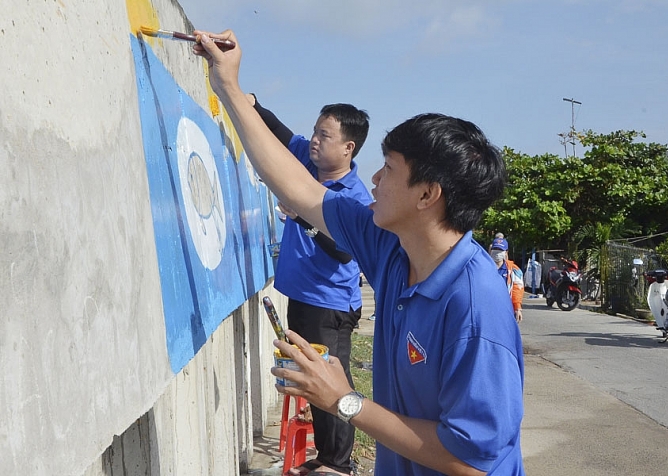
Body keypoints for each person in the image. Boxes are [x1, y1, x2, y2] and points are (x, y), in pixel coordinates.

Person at [193, 29, 525, 476]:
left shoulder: (475, 304)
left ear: (427, 194)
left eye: (388, 170)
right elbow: (298, 187)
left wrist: (344, 400)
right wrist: (229, 86)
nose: (374, 181)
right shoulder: (391, 247)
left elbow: (471, 461)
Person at [247, 94, 372, 476]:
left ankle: (338, 463)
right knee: (312, 381)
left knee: (329, 380)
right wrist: (251, 103)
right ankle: (328, 456)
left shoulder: (354, 196)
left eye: (325, 135)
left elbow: (343, 252)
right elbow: (280, 133)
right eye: (316, 131)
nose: (314, 140)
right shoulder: (307, 163)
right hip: (304, 298)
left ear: (348, 148)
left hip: (329, 305)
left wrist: (303, 217)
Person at [490, 236, 525, 323]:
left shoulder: (514, 270)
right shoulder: (483, 267)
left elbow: (517, 289)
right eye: (495, 249)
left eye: (500, 250)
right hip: (487, 309)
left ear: (506, 252)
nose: (497, 252)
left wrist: (517, 308)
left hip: (506, 310)